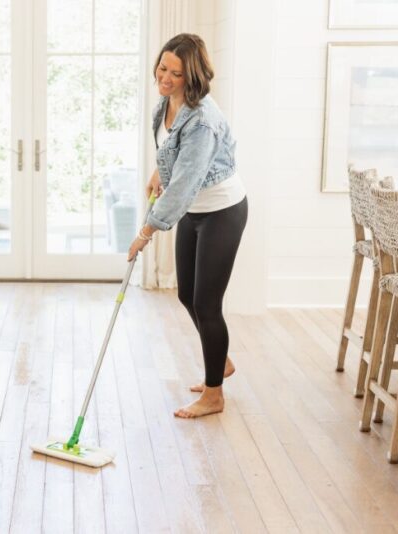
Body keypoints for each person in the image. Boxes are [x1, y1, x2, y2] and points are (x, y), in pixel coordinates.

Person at [127, 33, 248, 419]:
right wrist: (158, 172)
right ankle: (221, 359)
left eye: (176, 73)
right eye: (162, 68)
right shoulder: (165, 104)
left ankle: (214, 394)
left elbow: (186, 182)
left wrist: (145, 232)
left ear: (192, 77)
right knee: (186, 294)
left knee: (206, 304)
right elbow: (172, 152)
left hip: (222, 211)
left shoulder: (203, 122)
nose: (165, 78)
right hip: (195, 210)